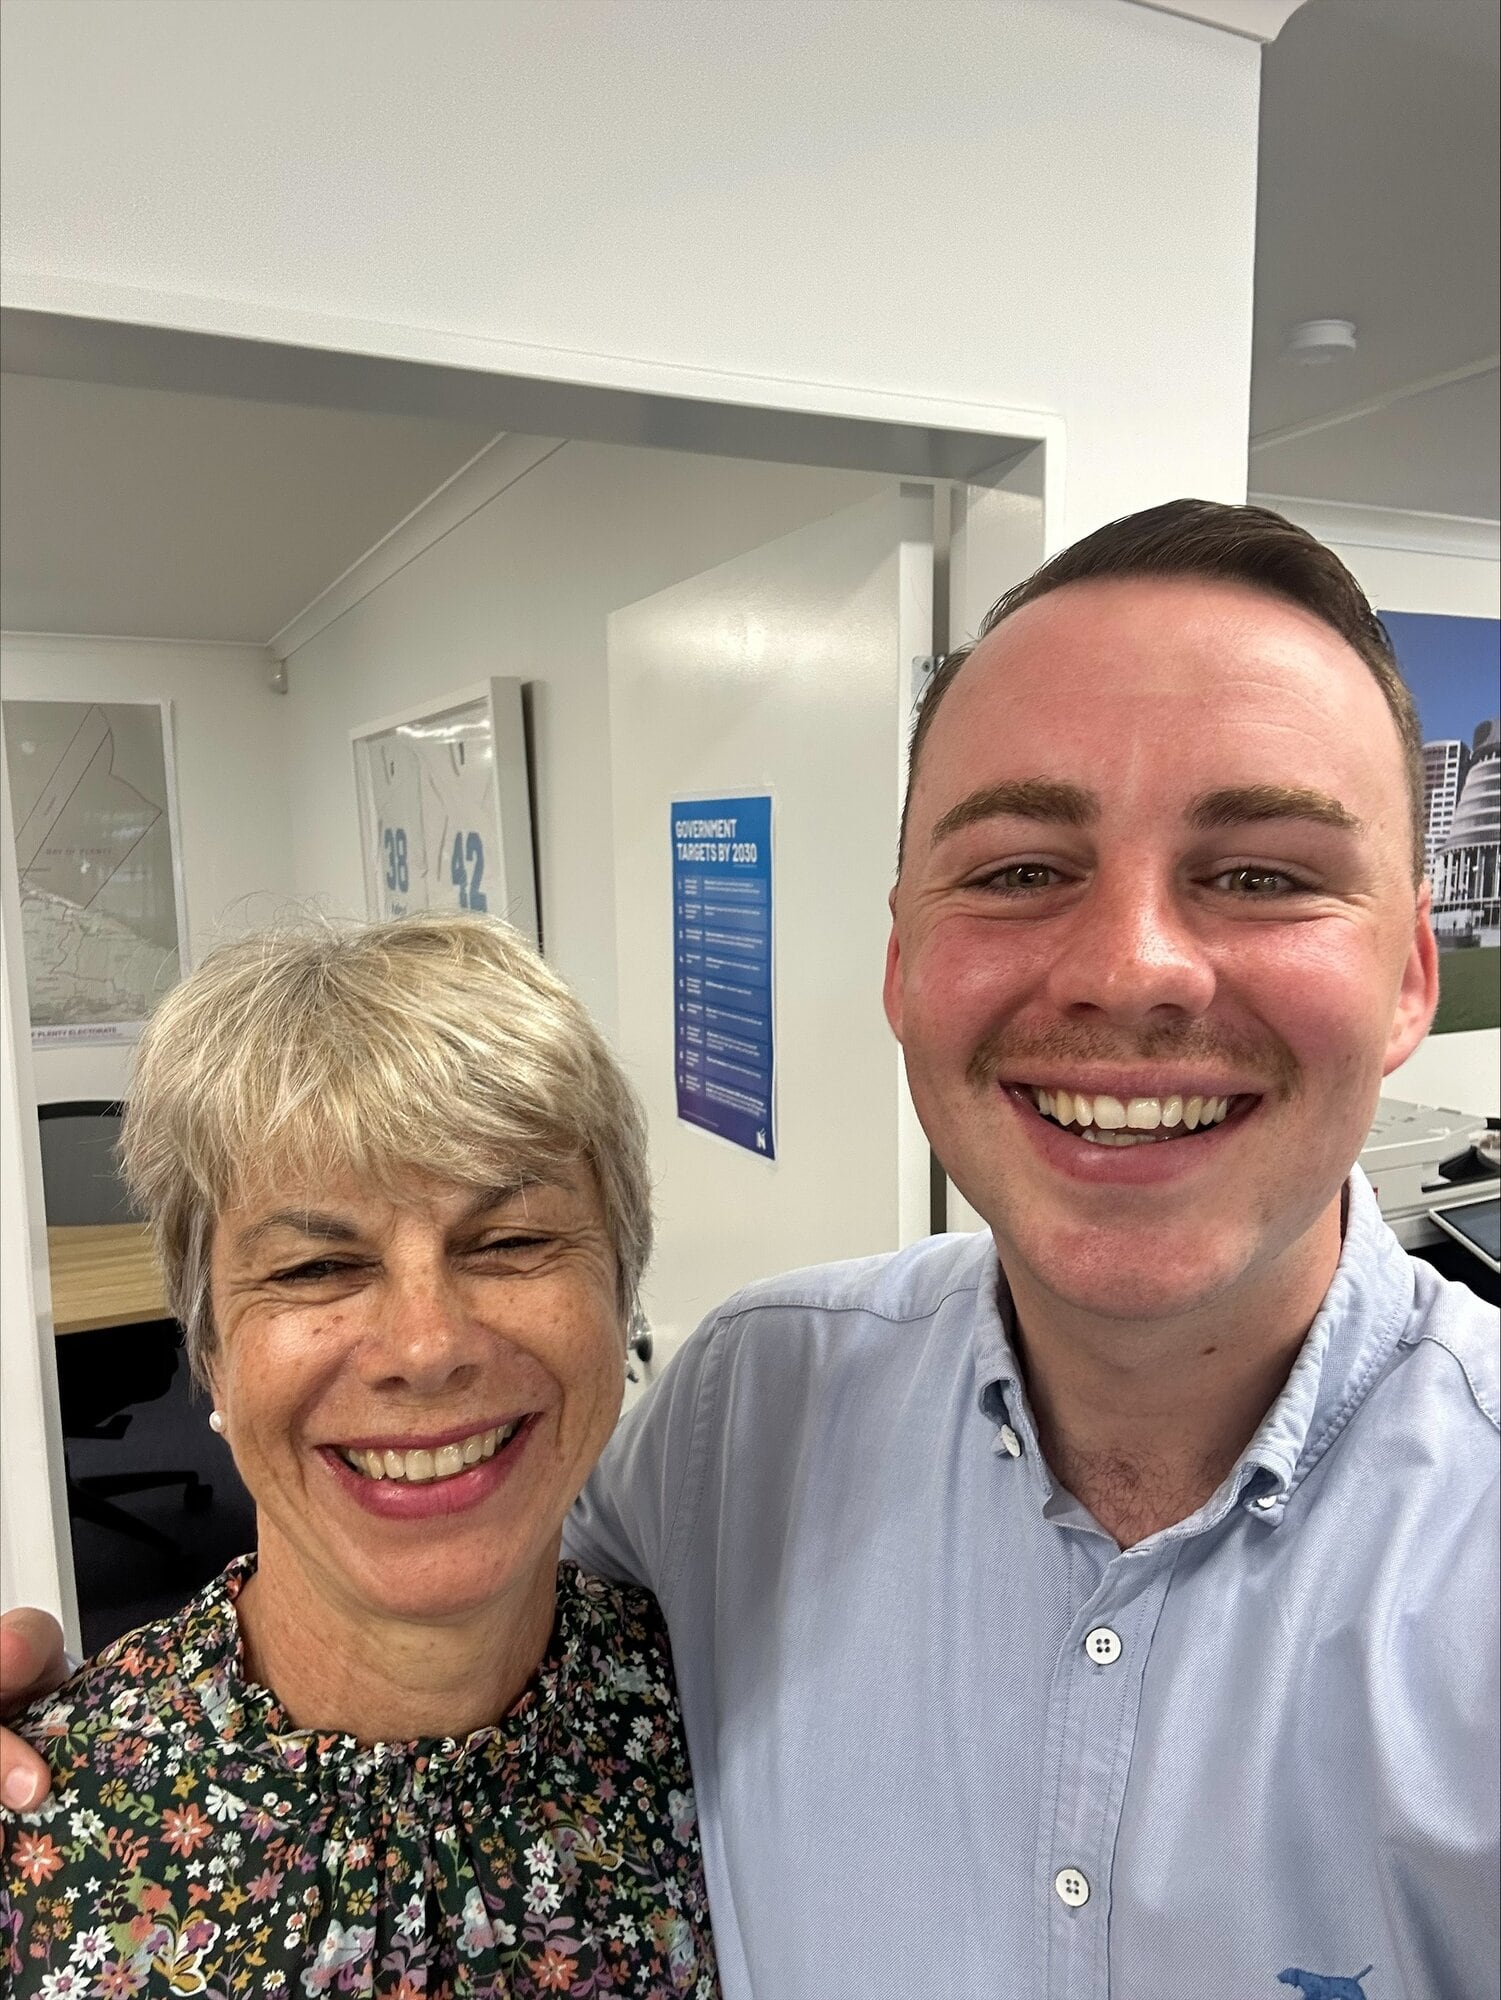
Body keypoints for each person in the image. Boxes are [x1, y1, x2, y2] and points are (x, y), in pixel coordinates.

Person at [5, 500, 1497, 1995]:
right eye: (1021, 870)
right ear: (903, 965)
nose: (1134, 968)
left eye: (1261, 873)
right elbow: (442, 1580)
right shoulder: (749, 1411)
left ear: (1409, 976)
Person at [0, 916, 717, 1998]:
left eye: (512, 1241)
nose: (426, 1347)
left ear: (620, 1300)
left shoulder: (739, 1728)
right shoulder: (38, 1838)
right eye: (316, 1266)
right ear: (210, 1351)